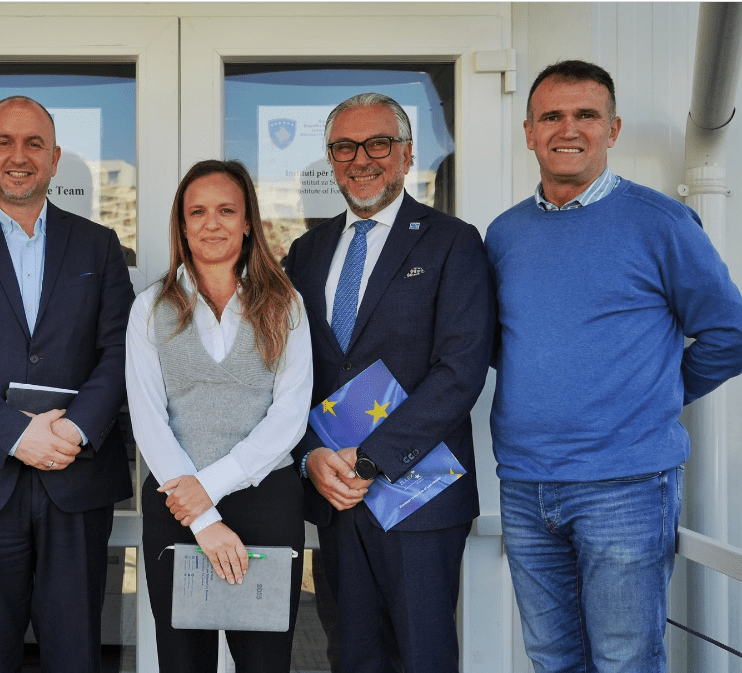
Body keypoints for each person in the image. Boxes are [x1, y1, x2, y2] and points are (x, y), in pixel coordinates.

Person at [486, 60, 742, 673]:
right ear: (529, 132)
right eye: (551, 116)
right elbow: (505, 343)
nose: (568, 129)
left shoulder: (661, 223)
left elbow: (730, 333)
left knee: (625, 660)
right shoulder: (504, 234)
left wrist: (655, 394)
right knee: (552, 660)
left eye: (586, 115)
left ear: (612, 128)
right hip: (524, 483)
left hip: (625, 486)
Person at [0, 95, 134, 673]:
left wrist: (75, 429)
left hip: (76, 475)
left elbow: (120, 353)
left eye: (34, 143)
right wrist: (15, 433)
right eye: (4, 143)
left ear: (55, 158)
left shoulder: (99, 246)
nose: (19, 156)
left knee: (76, 653)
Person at [285, 93, 495, 673]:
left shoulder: (452, 241)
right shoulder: (305, 252)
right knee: (351, 656)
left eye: (378, 143)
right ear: (331, 159)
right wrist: (311, 456)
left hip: (417, 496)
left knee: (422, 657)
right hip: (335, 495)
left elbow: (461, 369)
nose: (361, 159)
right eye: (344, 147)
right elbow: (288, 374)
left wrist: (370, 458)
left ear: (406, 154)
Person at [127, 159, 312, 672]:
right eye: (198, 212)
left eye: (227, 210)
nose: (212, 223)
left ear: (248, 221)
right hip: (176, 504)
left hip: (266, 502)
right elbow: (148, 419)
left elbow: (290, 415)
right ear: (182, 225)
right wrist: (203, 516)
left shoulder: (285, 304)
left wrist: (211, 486)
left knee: (264, 664)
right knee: (184, 663)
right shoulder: (149, 308)